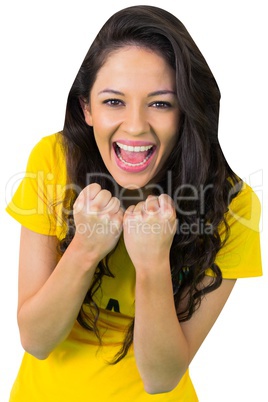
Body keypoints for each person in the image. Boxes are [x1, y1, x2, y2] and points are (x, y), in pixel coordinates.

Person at [6, 5, 262, 402]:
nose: (136, 125)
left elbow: (161, 377)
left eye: (160, 103)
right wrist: (86, 247)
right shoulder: (54, 160)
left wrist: (153, 261)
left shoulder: (233, 204)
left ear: (185, 112)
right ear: (86, 108)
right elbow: (36, 341)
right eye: (113, 102)